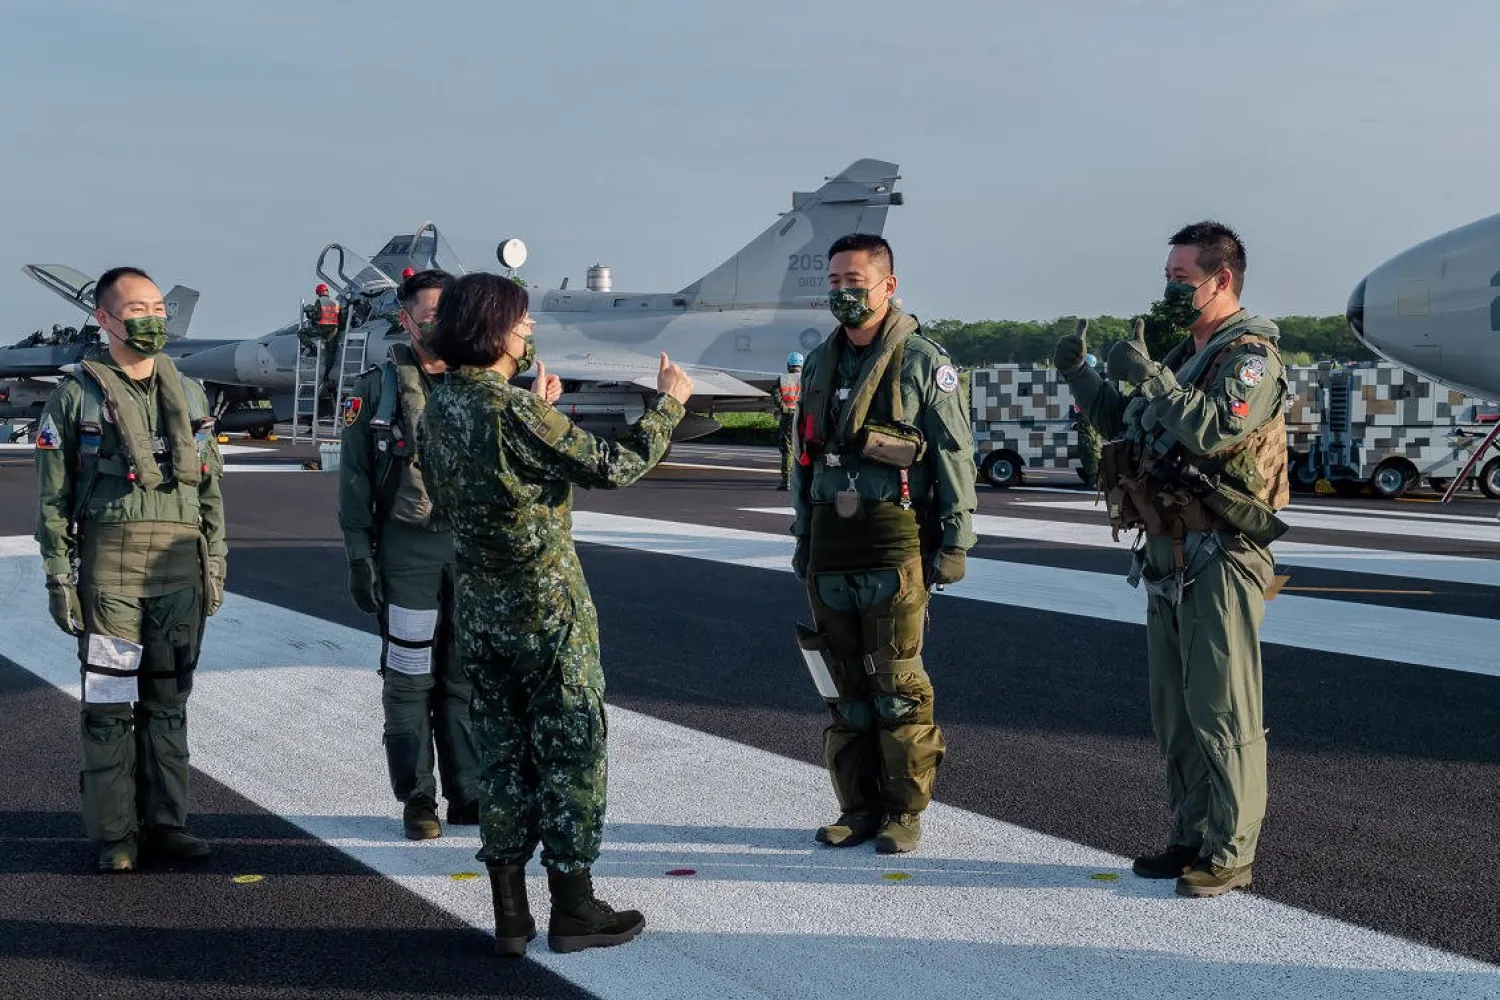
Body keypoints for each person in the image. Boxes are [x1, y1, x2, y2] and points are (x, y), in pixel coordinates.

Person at [418, 273, 693, 956]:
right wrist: (669, 407)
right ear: (495, 329)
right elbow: (611, 464)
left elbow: (467, 490)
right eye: (521, 321)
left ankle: (510, 915)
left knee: (503, 758)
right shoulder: (511, 412)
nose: (528, 331)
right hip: (546, 610)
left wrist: (533, 411)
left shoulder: (439, 407)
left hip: (480, 608)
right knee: (570, 751)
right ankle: (574, 909)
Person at [1053, 221, 1289, 898]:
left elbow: (1215, 426)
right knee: (1175, 709)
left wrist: (1153, 378)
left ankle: (1232, 848)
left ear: (1223, 280)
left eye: (1181, 279)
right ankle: (1189, 833)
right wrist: (1081, 374)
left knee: (1223, 705)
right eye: (1168, 277)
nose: (1169, 290)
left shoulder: (1250, 358)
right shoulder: (1189, 356)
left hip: (1220, 551)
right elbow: (1129, 421)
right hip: (1168, 552)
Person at [34, 266, 227, 873]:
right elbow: (53, 498)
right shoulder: (75, 397)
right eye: (135, 308)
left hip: (178, 575)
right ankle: (117, 833)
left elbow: (211, 490)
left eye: (156, 307)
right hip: (111, 574)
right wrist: (58, 575)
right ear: (105, 318)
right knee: (111, 706)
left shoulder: (191, 394)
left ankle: (167, 824)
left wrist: (215, 559)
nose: (150, 318)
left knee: (169, 702)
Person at [790, 234, 978, 855]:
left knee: (896, 681)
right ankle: (858, 806)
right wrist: (802, 533)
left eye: (856, 281)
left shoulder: (924, 362)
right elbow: (802, 458)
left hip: (894, 542)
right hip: (831, 545)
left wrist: (955, 540)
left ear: (888, 285)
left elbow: (953, 456)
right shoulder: (820, 362)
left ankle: (902, 811)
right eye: (836, 281)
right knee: (844, 686)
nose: (845, 292)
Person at [338, 269, 488, 840]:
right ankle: (418, 799)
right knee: (408, 679)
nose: (441, 327)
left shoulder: (480, 386)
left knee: (463, 678)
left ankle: (469, 792)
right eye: (429, 317)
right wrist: (359, 555)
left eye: (450, 316)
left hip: (471, 555)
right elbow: (355, 479)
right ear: (405, 320)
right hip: (408, 555)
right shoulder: (375, 390)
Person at [775, 352, 804, 489]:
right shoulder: (806, 378)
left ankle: (786, 481)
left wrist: (784, 409)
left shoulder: (782, 378)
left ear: (788, 364)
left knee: (787, 449)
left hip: (788, 416)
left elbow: (776, 396)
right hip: (803, 416)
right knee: (805, 447)